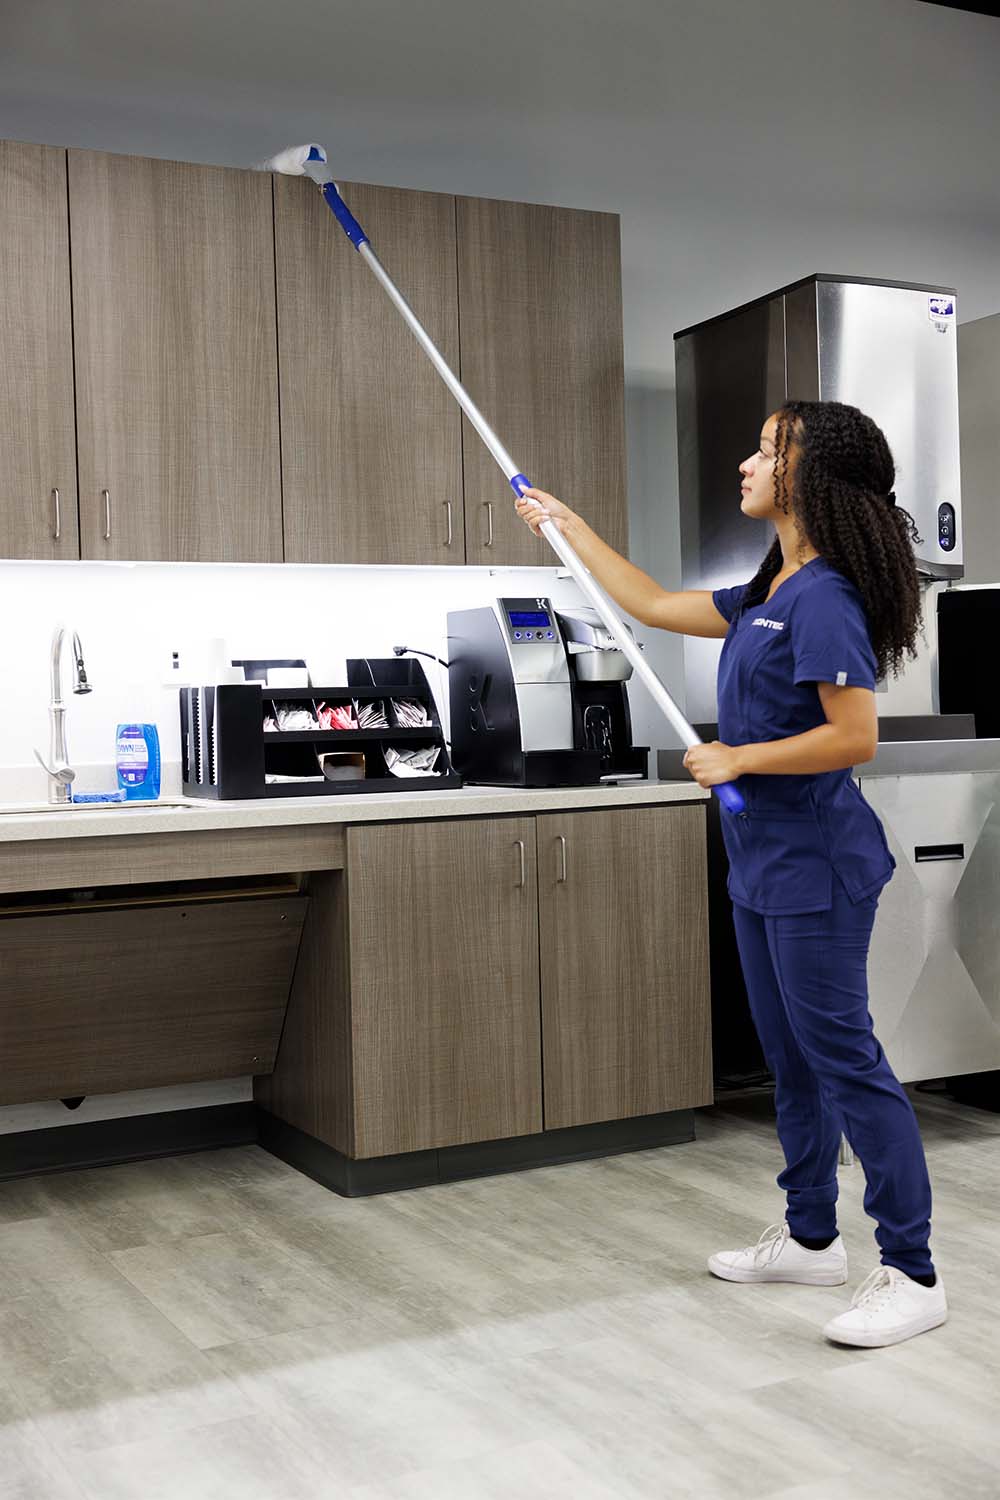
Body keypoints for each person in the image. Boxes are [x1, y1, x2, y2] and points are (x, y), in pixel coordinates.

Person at [515, 399, 946, 1349]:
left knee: (846, 1061)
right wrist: (568, 525)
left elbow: (854, 736)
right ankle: (809, 1237)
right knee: (789, 1059)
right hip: (762, 863)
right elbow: (655, 605)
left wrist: (738, 759)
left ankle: (913, 1272)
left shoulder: (825, 596)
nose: (748, 463)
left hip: (819, 867)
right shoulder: (766, 591)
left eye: (767, 449)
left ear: (806, 476)